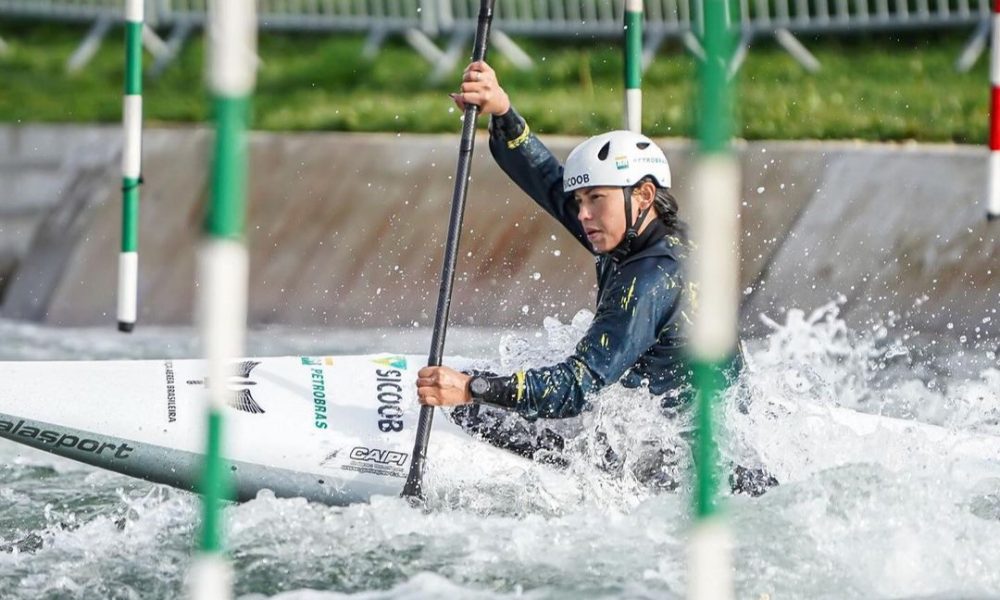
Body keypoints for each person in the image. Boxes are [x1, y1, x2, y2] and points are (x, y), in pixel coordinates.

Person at [416, 62, 767, 493]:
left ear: (643, 194)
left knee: (477, 407)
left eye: (595, 199)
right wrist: (504, 114)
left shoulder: (649, 280)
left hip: (682, 468)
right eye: (579, 200)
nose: (582, 215)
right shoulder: (645, 235)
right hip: (707, 433)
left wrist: (471, 388)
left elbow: (577, 386)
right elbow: (550, 185)